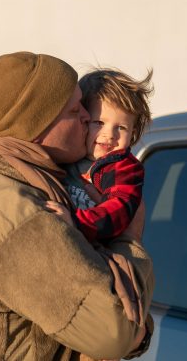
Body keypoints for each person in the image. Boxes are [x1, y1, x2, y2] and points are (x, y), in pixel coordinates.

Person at [0, 52, 154, 361]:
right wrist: (129, 238)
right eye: (74, 109)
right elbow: (115, 334)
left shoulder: (19, 182)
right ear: (39, 123)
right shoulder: (13, 208)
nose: (87, 117)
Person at [46, 68, 153, 244]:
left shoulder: (124, 168)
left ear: (133, 132)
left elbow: (119, 209)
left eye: (121, 128)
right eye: (99, 123)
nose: (110, 135)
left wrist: (76, 222)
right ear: (84, 119)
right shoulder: (66, 157)